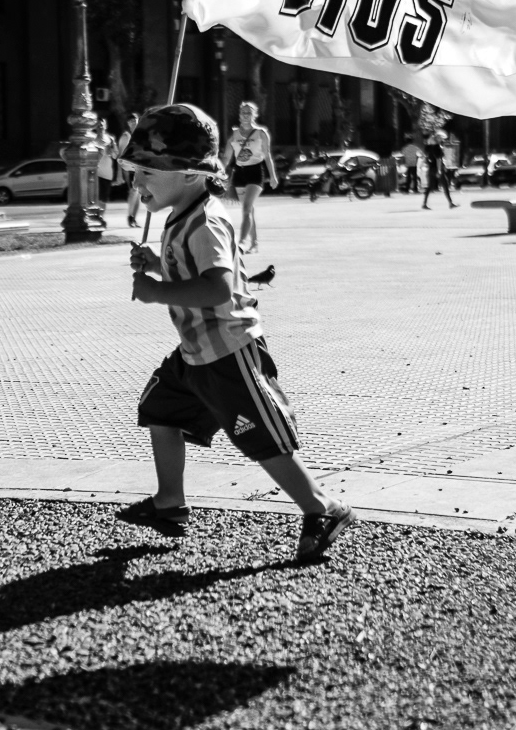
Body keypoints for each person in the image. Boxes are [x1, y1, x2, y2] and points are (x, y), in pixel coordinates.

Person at [116, 103, 355, 562]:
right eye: (134, 170)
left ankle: (323, 507)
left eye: (147, 171)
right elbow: (192, 270)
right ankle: (169, 502)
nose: (136, 183)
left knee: (260, 438)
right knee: (160, 410)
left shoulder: (207, 221)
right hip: (194, 353)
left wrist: (155, 291)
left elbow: (218, 288)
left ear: (190, 173)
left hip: (228, 351)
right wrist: (157, 265)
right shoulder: (181, 214)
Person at [222, 100, 278, 253]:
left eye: (249, 113)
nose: (246, 115)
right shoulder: (234, 135)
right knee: (249, 210)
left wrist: (272, 176)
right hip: (240, 173)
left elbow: (267, 156)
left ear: (255, 115)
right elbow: (226, 158)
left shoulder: (261, 133)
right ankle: (254, 243)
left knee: (246, 208)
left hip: (255, 172)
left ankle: (241, 243)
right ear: (239, 115)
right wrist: (219, 173)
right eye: (243, 112)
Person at [117, 112, 142, 227]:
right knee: (133, 192)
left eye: (135, 120)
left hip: (140, 168)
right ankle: (130, 217)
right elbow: (120, 156)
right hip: (129, 168)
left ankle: (134, 218)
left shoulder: (140, 136)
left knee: (139, 193)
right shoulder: (126, 137)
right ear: (128, 123)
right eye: (131, 121)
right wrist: (121, 173)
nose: (133, 122)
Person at [421, 129, 456, 209]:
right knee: (445, 185)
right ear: (437, 138)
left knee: (430, 187)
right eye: (441, 138)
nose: (442, 140)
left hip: (431, 169)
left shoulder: (428, 147)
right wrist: (439, 170)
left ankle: (424, 203)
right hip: (437, 169)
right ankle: (450, 203)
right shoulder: (437, 147)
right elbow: (438, 159)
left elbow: (426, 157)